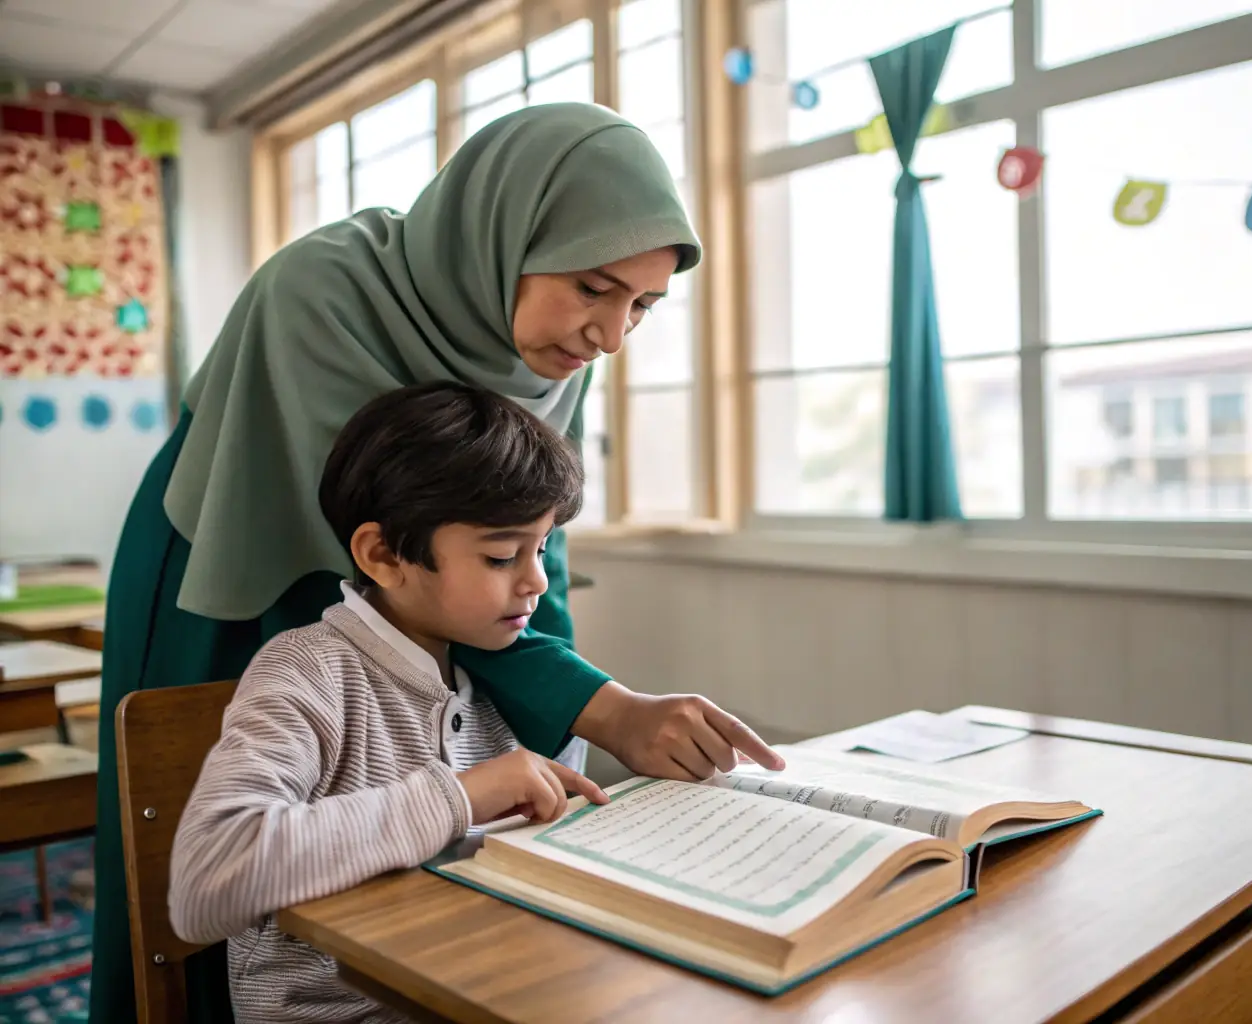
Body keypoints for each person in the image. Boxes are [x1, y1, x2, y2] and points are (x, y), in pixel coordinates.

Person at [91, 102, 784, 1024]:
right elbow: (401, 561)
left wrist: (578, 711)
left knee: (431, 826)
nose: (610, 337)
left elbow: (514, 564)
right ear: (505, 231)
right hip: (240, 568)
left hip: (426, 576)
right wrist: (602, 708)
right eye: (591, 287)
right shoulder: (323, 296)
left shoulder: (546, 358)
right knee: (241, 840)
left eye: (642, 307)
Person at [169, 382, 614, 1024]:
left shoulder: (496, 671)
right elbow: (205, 881)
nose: (537, 581)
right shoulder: (309, 670)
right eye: (500, 555)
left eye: (541, 548)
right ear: (382, 555)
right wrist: (458, 797)